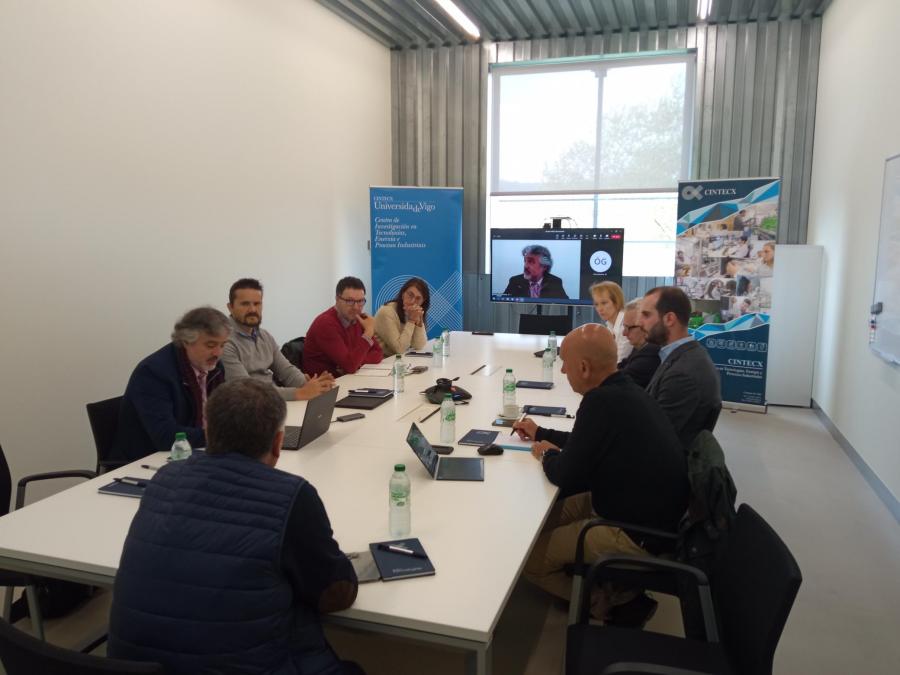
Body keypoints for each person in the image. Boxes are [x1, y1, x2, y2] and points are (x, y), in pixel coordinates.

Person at [108, 379, 362, 675]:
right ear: (278, 443)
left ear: (208, 429)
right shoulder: (291, 495)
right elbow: (335, 595)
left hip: (130, 666)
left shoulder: (165, 477)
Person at [513, 324, 688, 621]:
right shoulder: (624, 389)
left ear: (583, 367)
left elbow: (563, 475)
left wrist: (546, 454)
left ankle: (610, 604)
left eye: (566, 363)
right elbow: (587, 441)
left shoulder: (599, 402)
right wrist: (541, 432)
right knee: (533, 527)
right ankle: (612, 589)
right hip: (643, 512)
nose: (564, 370)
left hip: (635, 534)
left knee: (529, 559)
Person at [113, 307, 231, 461]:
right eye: (210, 345)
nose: (218, 353)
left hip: (197, 453)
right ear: (186, 341)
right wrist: (222, 436)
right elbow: (165, 436)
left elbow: (221, 413)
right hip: (147, 461)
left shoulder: (215, 368)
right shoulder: (153, 373)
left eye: (222, 345)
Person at [221, 278, 335, 400]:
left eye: (257, 303)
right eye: (245, 304)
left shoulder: (265, 336)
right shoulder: (224, 342)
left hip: (273, 403)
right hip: (249, 408)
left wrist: (313, 385)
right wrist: (299, 393)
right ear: (230, 307)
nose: (252, 310)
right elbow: (246, 391)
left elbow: (287, 371)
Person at [639, 286, 722, 450]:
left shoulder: (683, 373)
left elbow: (653, 437)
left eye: (646, 315)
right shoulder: (685, 356)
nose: (639, 322)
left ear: (669, 319)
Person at [303, 277, 383, 377]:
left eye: (360, 301)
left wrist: (356, 361)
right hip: (325, 386)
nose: (356, 307)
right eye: (349, 301)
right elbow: (350, 366)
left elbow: (378, 353)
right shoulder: (325, 323)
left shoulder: (359, 319)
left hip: (347, 378)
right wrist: (368, 333)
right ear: (337, 299)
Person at [373, 277, 429, 357]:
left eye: (418, 298)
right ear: (403, 294)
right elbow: (399, 349)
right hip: (381, 363)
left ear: (423, 302)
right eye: (410, 295)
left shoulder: (412, 313)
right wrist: (411, 321)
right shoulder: (386, 312)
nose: (413, 301)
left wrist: (419, 321)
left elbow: (418, 345)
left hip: (399, 361)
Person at [617, 299, 661, 388]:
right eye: (624, 327)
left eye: (629, 328)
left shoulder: (651, 354)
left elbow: (618, 381)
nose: (624, 334)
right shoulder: (640, 346)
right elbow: (621, 366)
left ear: (645, 325)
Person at [502, 244, 568, 299]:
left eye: (531, 261)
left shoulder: (555, 282)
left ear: (544, 266)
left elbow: (566, 302)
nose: (526, 266)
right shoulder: (515, 281)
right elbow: (503, 301)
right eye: (525, 261)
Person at [590, 280, 631, 363]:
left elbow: (619, 361)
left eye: (604, 303)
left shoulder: (626, 324)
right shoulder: (610, 324)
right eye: (596, 304)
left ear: (617, 302)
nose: (599, 309)